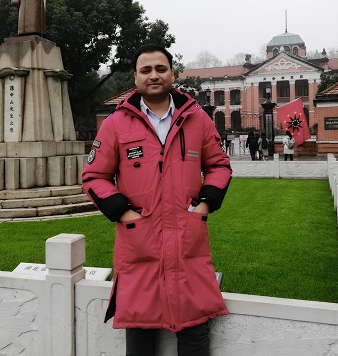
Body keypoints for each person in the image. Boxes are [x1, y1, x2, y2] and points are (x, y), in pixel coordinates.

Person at [82, 43, 232, 356]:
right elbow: (94, 177)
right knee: (140, 330)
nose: (154, 75)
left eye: (160, 69)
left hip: (188, 241)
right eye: (146, 70)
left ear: (172, 74)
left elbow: (219, 166)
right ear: (135, 77)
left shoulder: (197, 120)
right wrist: (123, 214)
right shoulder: (115, 124)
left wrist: (203, 206)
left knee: (195, 328)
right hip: (139, 244)